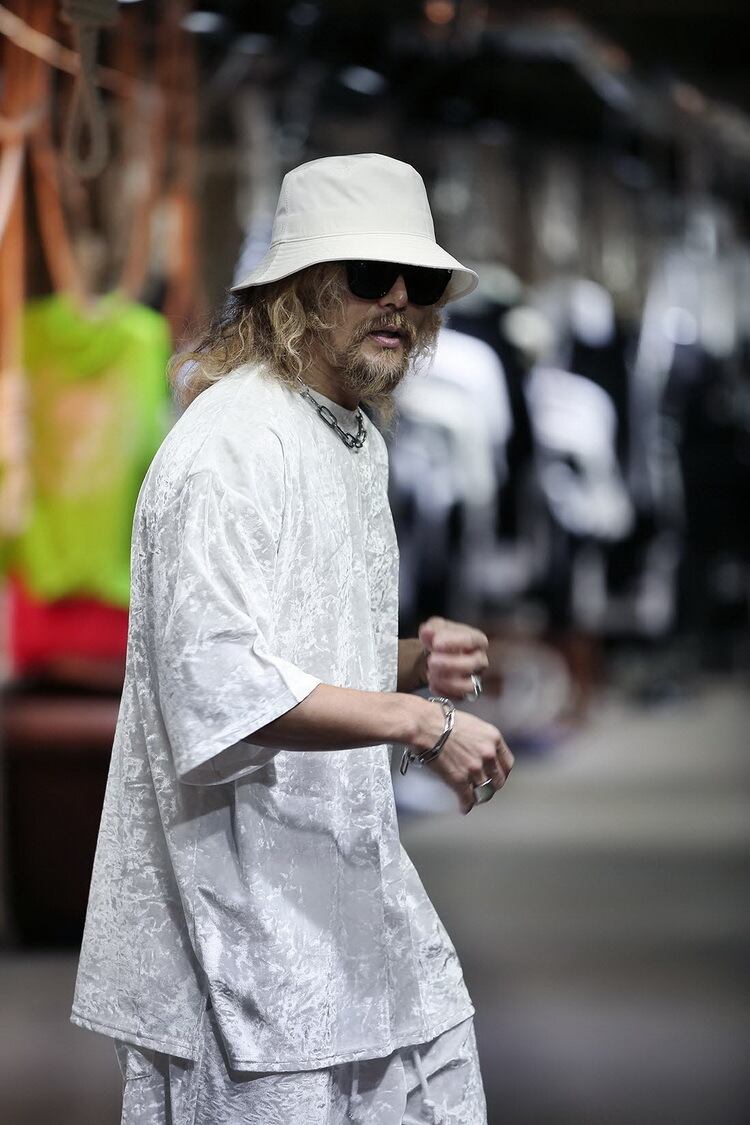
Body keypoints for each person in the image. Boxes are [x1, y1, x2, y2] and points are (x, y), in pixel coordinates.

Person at [71, 153, 514, 1124]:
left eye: (418, 282)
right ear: (301, 290)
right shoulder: (230, 447)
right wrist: (421, 722)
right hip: (238, 919)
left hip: (340, 894)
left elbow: (289, 647)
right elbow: (217, 682)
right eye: (370, 275)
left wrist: (410, 660)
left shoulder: (347, 435)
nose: (398, 301)